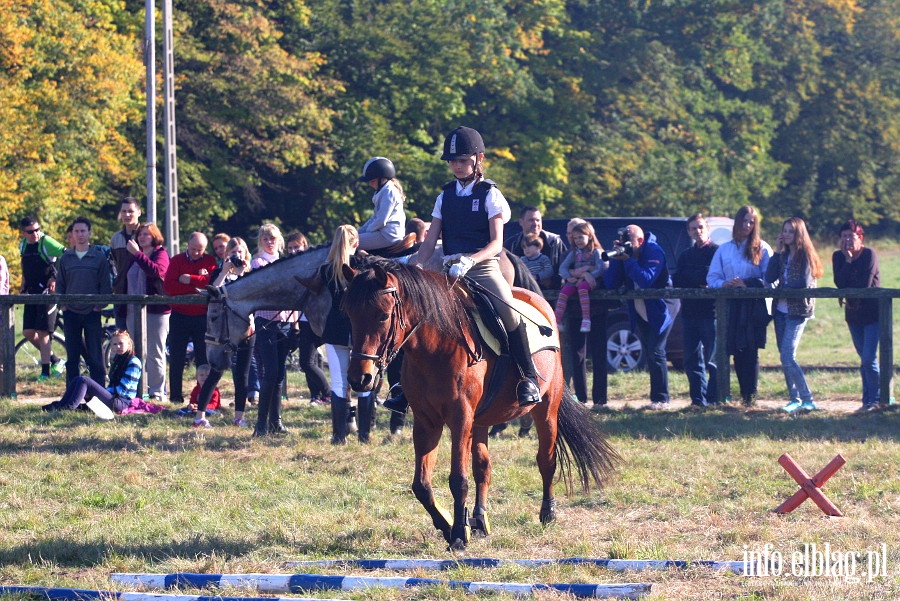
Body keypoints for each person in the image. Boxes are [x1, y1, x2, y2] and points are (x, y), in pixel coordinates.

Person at [412, 125, 540, 406]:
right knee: (411, 314)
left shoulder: (489, 194)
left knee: (508, 313)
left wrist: (471, 260)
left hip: (483, 267)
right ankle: (402, 385)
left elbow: (496, 243)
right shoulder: (444, 196)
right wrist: (416, 268)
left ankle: (527, 377)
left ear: (478, 159)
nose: (457, 166)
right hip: (448, 269)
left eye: (463, 160)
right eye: (453, 161)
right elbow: (429, 241)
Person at [604, 224, 679, 410]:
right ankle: (656, 399)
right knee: (651, 352)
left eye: (629, 240)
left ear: (640, 240)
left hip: (662, 307)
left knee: (656, 351)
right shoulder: (625, 255)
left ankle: (663, 399)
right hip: (640, 308)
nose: (626, 244)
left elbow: (646, 279)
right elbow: (610, 283)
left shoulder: (654, 250)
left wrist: (628, 260)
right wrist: (617, 259)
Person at [707, 205, 773, 406]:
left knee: (750, 350)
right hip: (730, 306)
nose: (747, 225)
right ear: (737, 222)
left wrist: (747, 283)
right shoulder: (724, 249)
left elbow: (770, 279)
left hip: (753, 306)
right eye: (744, 221)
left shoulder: (762, 248)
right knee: (734, 349)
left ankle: (750, 397)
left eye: (751, 222)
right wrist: (724, 284)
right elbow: (712, 277)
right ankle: (730, 396)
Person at [193, 237, 256, 428]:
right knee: (216, 372)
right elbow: (212, 291)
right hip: (223, 331)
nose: (237, 256)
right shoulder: (220, 273)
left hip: (246, 329)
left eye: (240, 252)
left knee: (242, 375)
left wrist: (241, 273)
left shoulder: (251, 274)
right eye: (233, 252)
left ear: (246, 254)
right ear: (226, 254)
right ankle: (199, 416)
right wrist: (225, 271)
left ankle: (239, 416)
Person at [319, 225, 374, 443]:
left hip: (335, 328)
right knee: (365, 381)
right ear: (355, 242)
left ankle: (338, 435)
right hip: (359, 326)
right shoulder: (362, 264)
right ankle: (364, 435)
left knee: (340, 383)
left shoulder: (327, 269)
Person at [765, 217, 823, 413]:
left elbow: (804, 284)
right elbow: (769, 277)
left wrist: (784, 289)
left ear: (799, 233)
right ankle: (794, 399)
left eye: (791, 231)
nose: (787, 234)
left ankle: (807, 399)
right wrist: (777, 251)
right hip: (780, 311)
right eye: (785, 231)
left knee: (788, 356)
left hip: (798, 310)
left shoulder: (805, 254)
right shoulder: (783, 256)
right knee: (784, 358)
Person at [250, 224, 295, 436]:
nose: (270, 242)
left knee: (279, 374)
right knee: (269, 372)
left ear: (279, 240)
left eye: (273, 238)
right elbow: (266, 288)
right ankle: (261, 424)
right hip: (266, 321)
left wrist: (294, 321)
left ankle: (276, 421)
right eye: (266, 239)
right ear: (261, 241)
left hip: (285, 320)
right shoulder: (258, 263)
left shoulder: (286, 262)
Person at [832, 219, 881, 411]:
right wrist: (848, 259)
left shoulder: (869, 254)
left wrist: (853, 260)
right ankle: (867, 401)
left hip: (873, 313)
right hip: (853, 314)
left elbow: (864, 284)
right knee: (864, 359)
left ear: (860, 238)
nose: (847, 240)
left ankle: (876, 400)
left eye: (851, 236)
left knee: (869, 358)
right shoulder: (838, 256)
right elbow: (840, 283)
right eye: (843, 236)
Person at [163, 232, 217, 405]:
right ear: (187, 245)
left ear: (205, 248)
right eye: (193, 249)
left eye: (199, 250)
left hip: (202, 316)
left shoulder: (209, 261)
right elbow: (169, 286)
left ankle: (203, 397)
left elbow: (212, 284)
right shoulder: (177, 260)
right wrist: (198, 283)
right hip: (179, 315)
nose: (196, 253)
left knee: (203, 358)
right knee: (177, 358)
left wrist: (189, 279)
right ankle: (176, 397)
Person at [56, 217, 112, 384]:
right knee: (72, 356)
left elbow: (105, 286)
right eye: (76, 231)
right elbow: (60, 284)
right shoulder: (66, 258)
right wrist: (63, 305)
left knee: (95, 355)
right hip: (70, 312)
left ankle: (99, 392)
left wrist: (98, 306)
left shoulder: (99, 257)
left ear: (89, 233)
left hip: (91, 313)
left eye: (83, 231)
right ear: (72, 234)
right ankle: (72, 394)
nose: (80, 234)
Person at [673, 214, 719, 407]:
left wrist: (699, 279)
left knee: (713, 359)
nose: (697, 231)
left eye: (700, 227)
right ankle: (698, 400)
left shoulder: (717, 252)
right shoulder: (685, 255)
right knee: (691, 359)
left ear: (707, 228)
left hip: (711, 313)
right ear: (688, 232)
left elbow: (713, 278)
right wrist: (699, 279)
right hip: (689, 313)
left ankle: (715, 398)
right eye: (693, 228)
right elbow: (678, 280)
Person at [125, 222, 170, 402]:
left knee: (155, 352)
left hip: (156, 311)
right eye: (140, 234)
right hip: (132, 310)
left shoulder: (160, 253)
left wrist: (137, 254)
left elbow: (156, 271)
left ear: (154, 236)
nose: (142, 237)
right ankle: (137, 389)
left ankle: (158, 392)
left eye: (146, 234)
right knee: (135, 351)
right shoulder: (133, 255)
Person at [42, 330, 141, 413]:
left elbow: (122, 390)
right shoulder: (118, 359)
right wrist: (99, 393)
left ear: (128, 344)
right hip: (114, 397)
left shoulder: (133, 362)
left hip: (121, 402)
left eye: (121, 343)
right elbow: (113, 384)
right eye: (115, 344)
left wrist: (99, 392)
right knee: (77, 379)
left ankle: (68, 408)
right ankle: (60, 406)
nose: (118, 347)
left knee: (84, 380)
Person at [18, 216, 66, 381]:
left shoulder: (46, 242)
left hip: (48, 293)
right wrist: (23, 286)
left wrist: (55, 277)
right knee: (28, 332)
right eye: (31, 232)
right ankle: (56, 360)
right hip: (32, 293)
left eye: (37, 230)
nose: (35, 234)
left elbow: (66, 255)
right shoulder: (23, 245)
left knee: (43, 332)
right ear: (23, 233)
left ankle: (45, 373)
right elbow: (25, 267)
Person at [286, 233, 329, 405]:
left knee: (307, 361)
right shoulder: (288, 267)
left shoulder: (314, 265)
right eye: (290, 248)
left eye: (296, 247)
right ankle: (316, 396)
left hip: (317, 318)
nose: (293, 251)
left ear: (305, 245)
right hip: (303, 320)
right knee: (308, 360)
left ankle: (328, 392)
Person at [554, 221, 605, 334]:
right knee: (564, 292)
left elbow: (600, 269)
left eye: (581, 237)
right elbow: (563, 268)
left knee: (582, 289)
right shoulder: (574, 253)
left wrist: (589, 275)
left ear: (590, 236)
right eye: (575, 238)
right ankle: (557, 320)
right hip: (575, 280)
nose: (578, 241)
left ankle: (586, 319)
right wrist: (568, 278)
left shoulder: (596, 252)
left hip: (591, 281)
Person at [503, 206, 567, 289]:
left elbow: (564, 267)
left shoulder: (554, 242)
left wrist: (552, 280)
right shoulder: (511, 244)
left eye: (538, 220)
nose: (535, 224)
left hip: (552, 291)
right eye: (531, 220)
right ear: (521, 222)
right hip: (522, 291)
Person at [356, 157, 406, 253]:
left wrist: (367, 231)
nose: (370, 184)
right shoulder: (381, 191)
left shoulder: (389, 191)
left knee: (348, 242)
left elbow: (381, 221)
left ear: (383, 179)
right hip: (383, 232)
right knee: (351, 237)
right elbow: (373, 218)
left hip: (388, 235)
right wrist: (357, 232)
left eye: (373, 181)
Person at [110, 197, 143, 330]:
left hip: (142, 292)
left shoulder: (147, 235)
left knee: (142, 337)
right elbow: (113, 264)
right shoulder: (116, 238)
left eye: (130, 211)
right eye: (123, 211)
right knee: (123, 338)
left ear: (139, 212)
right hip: (121, 294)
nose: (127, 215)